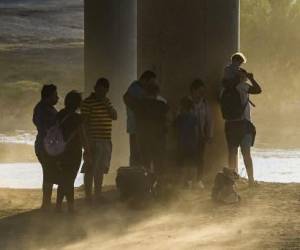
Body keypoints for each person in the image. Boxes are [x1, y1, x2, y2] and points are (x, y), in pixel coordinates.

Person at [221, 55, 262, 187]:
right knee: (246, 153)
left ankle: (230, 180)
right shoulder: (242, 86)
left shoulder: (223, 89)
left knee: (232, 152)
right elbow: (258, 90)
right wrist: (251, 78)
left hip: (229, 124)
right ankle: (250, 180)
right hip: (243, 123)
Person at [81, 78, 117, 202]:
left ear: (107, 90)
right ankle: (88, 196)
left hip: (105, 140)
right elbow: (84, 123)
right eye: (99, 89)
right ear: (95, 88)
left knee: (100, 169)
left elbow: (114, 116)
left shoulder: (107, 101)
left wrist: (106, 104)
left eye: (104, 90)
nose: (101, 93)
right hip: (93, 140)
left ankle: (98, 195)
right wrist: (86, 142)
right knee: (90, 168)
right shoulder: (87, 102)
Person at [56, 91, 91, 212]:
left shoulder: (59, 115)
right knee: (70, 180)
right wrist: (88, 151)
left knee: (63, 179)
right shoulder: (78, 118)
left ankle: (58, 206)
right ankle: (71, 208)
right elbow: (83, 136)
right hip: (74, 152)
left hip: (60, 152)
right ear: (77, 103)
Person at [127, 82, 169, 177]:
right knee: (159, 166)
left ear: (145, 93)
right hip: (159, 139)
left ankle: (145, 188)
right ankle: (159, 187)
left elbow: (126, 99)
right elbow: (168, 120)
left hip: (143, 139)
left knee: (145, 165)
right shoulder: (162, 105)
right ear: (156, 93)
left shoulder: (139, 105)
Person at [33, 84, 59, 210]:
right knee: (48, 173)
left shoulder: (41, 108)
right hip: (46, 145)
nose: (58, 98)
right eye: (55, 95)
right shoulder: (46, 110)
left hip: (42, 144)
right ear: (48, 96)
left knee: (48, 172)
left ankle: (46, 202)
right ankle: (46, 203)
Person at [123, 71, 157, 167]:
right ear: (145, 80)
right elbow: (127, 99)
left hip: (138, 127)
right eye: (151, 82)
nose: (151, 85)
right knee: (137, 154)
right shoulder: (135, 88)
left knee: (139, 153)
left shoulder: (135, 88)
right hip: (136, 127)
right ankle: (136, 175)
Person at [189, 79, 213, 188]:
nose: (201, 94)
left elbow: (209, 120)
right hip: (188, 137)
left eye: (203, 92)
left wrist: (209, 135)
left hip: (201, 136)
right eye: (199, 91)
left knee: (200, 158)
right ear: (193, 91)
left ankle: (198, 180)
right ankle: (189, 180)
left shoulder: (205, 104)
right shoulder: (186, 102)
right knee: (188, 158)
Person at [175, 97, 199, 188]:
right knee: (193, 164)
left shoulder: (179, 118)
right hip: (192, 144)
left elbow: (175, 130)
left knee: (182, 165)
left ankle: (183, 183)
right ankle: (193, 183)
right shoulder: (194, 118)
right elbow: (197, 131)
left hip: (182, 144)